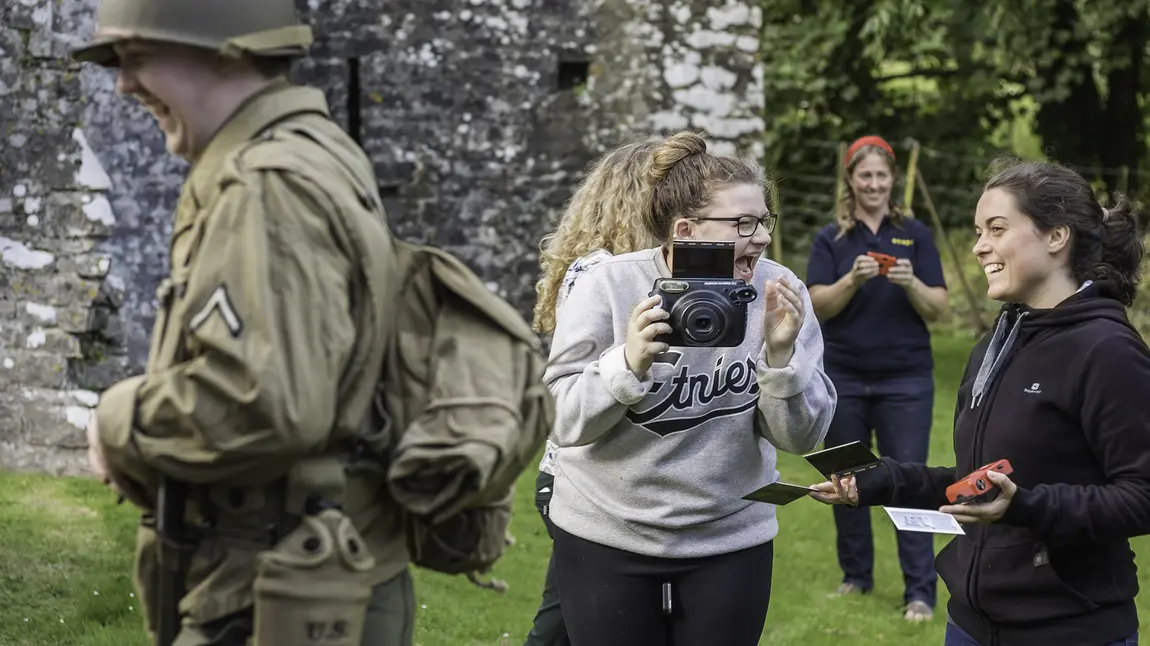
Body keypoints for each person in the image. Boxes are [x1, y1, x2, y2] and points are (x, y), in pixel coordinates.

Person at [73, 1, 413, 645]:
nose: (122, 83)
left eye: (137, 56)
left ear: (223, 49)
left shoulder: (265, 185)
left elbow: (264, 400)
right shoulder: (312, 152)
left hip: (272, 590)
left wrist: (117, 420)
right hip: (307, 574)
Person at [810, 158, 1150, 646]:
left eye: (996, 228)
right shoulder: (998, 340)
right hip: (970, 623)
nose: (979, 246)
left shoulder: (1107, 350)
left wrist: (1026, 507)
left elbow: (1142, 496)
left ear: (1056, 237)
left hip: (1069, 628)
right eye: (977, 231)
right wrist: (882, 480)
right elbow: (980, 484)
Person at [543, 130, 837, 646]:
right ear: (685, 229)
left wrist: (780, 358)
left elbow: (802, 439)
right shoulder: (610, 285)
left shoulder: (780, 292)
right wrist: (626, 365)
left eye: (764, 220)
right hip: (608, 531)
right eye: (743, 223)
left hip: (728, 535)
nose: (763, 237)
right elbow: (563, 422)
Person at [524, 137, 662, 646]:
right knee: (565, 623)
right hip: (579, 476)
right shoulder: (601, 274)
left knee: (564, 619)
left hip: (606, 470)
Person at [805, 135, 949, 621]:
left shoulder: (915, 234)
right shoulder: (833, 239)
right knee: (847, 479)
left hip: (906, 379)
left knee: (910, 478)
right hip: (841, 375)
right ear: (851, 179)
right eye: (864, 175)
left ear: (893, 180)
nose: (872, 183)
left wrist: (911, 284)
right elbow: (816, 305)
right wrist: (852, 279)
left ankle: (921, 592)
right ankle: (856, 577)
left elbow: (938, 308)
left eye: (881, 175)